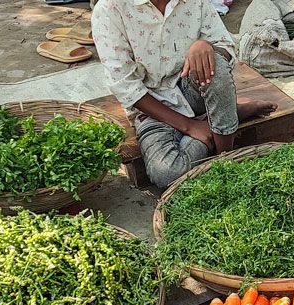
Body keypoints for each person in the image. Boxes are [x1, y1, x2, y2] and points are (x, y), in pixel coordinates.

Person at [92, 0, 276, 188]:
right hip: (152, 110)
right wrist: (189, 126)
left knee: (215, 63)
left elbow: (227, 48)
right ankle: (226, 116)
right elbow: (125, 86)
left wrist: (205, 46)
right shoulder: (109, 9)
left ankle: (226, 159)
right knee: (166, 173)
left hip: (193, 91)